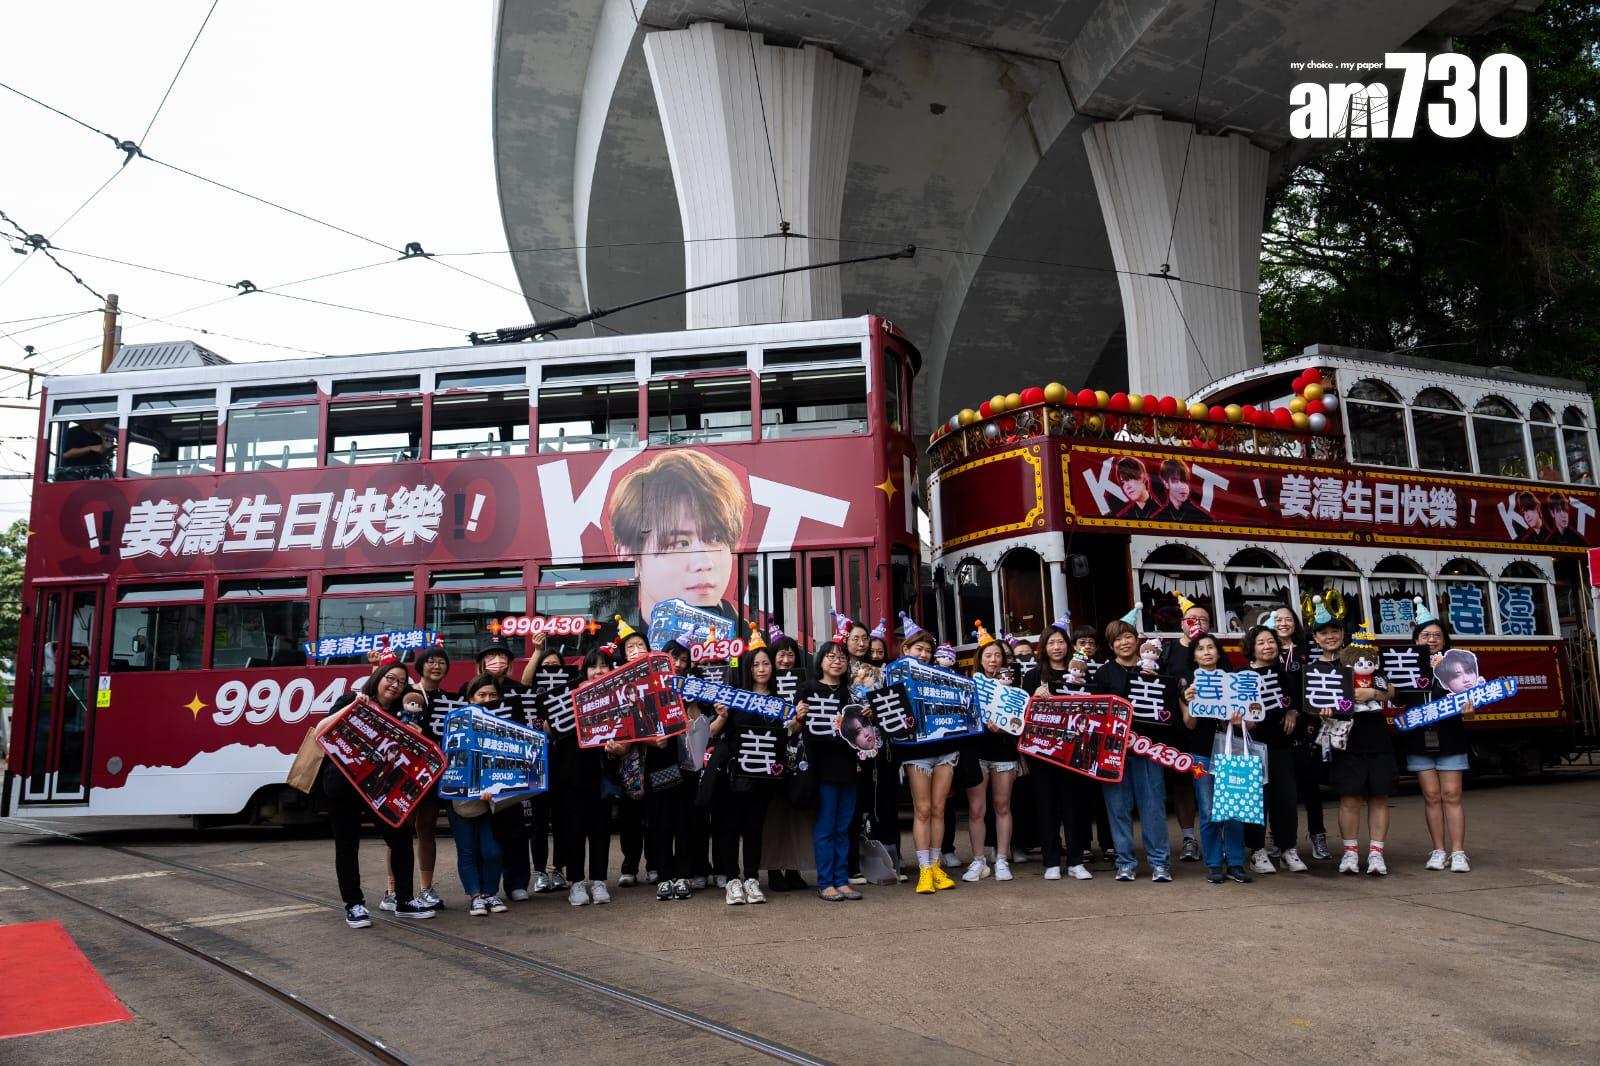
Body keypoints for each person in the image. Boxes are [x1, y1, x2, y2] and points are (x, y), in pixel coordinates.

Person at [322, 662, 436, 927]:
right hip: (343, 784)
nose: (394, 685)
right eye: (390, 679)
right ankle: (354, 905)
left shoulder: (403, 714)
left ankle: (404, 900)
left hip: (383, 789)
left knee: (400, 839)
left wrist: (416, 735)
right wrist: (353, 708)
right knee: (347, 845)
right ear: (377, 678)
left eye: (400, 682)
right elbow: (321, 730)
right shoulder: (351, 699)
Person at [606, 449, 748, 624]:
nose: (704, 563)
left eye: (715, 539)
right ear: (629, 556)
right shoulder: (618, 647)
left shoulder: (758, 646)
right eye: (681, 543)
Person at [1310, 607, 1395, 875]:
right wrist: (1319, 711)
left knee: (1379, 796)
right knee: (1349, 798)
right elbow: (1311, 704)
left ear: (1343, 633)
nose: (1330, 636)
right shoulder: (1316, 669)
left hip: (1376, 735)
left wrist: (1374, 692)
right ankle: (1349, 853)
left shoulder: (1363, 655)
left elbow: (1391, 690)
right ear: (1315, 639)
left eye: (1335, 631)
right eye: (1324, 633)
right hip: (1344, 739)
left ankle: (1376, 853)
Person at [1092, 609, 1173, 882]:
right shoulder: (1103, 673)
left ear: (1137, 639)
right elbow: (1096, 712)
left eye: (1128, 637)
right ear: (1111, 644)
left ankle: (1160, 862)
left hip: (1149, 748)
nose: (1124, 643)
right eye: (1117, 640)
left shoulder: (1154, 668)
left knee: (1153, 807)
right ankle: (1125, 862)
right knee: (1118, 808)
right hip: (1114, 751)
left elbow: (1168, 707)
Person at [712, 634, 783, 905]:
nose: (762, 669)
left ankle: (752, 879)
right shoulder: (735, 698)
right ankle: (732, 881)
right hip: (735, 775)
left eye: (766, 664)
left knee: (754, 829)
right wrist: (722, 716)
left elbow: (789, 734)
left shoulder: (779, 700)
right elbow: (713, 731)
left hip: (763, 776)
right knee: (730, 828)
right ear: (748, 669)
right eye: (756, 665)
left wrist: (798, 718)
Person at [1021, 620, 1093, 881]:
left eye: (1061, 642)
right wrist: (1034, 698)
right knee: (1046, 805)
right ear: (1043, 647)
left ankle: (1076, 860)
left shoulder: (1081, 672)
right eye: (1051, 642)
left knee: (1074, 805)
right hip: (1042, 752)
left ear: (1069, 646)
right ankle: (1051, 861)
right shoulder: (1032, 675)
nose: (1056, 647)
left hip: (1074, 750)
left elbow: (1093, 706)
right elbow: (1022, 713)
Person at [1405, 604, 1474, 872]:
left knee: (1452, 794)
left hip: (1451, 736)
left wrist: (1469, 709)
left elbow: (1469, 708)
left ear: (1445, 641)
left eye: (1437, 636)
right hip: (1418, 739)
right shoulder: (1406, 667)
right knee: (1432, 796)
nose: (1431, 640)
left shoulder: (1458, 668)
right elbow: (1394, 697)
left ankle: (1458, 852)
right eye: (1425, 635)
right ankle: (1438, 850)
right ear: (1415, 640)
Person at [1178, 633, 1249, 884]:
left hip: (1232, 751)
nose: (1207, 652)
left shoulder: (1235, 682)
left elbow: (1250, 721)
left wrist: (1239, 719)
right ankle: (1213, 863)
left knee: (1233, 810)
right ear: (1194, 656)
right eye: (1201, 649)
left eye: (1211, 648)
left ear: (1219, 653)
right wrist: (1190, 702)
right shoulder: (1188, 684)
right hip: (1200, 755)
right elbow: (1189, 724)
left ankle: (1237, 862)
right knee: (1208, 811)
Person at [798, 640, 864, 901]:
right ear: (821, 661)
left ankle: (841, 879)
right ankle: (825, 882)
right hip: (822, 767)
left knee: (844, 826)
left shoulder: (852, 693)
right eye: (831, 656)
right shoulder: (808, 689)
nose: (837, 661)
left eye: (841, 657)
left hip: (848, 765)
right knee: (826, 826)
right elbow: (798, 726)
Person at [1239, 626, 1305, 874]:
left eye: (1271, 641)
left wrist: (1293, 711)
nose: (1267, 646)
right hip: (1252, 747)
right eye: (1261, 643)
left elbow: (1301, 700)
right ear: (1251, 648)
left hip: (1281, 746)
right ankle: (1257, 851)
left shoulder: (1287, 672)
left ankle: (1288, 848)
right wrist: (1242, 719)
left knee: (1286, 799)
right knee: (1257, 800)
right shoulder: (1241, 674)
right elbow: (1230, 710)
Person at [960, 623, 1018, 883]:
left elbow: (1020, 720)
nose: (993, 660)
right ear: (979, 660)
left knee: (1003, 805)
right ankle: (978, 860)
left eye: (997, 656)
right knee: (976, 809)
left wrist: (1006, 724)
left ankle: (1002, 859)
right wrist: (983, 724)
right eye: (988, 656)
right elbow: (963, 719)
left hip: (1004, 752)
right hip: (978, 751)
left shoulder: (1014, 688)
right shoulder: (970, 685)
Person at [556, 648, 614, 905]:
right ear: (584, 671)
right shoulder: (569, 696)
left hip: (602, 775)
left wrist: (619, 747)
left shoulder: (617, 696)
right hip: (572, 775)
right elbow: (554, 729)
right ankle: (577, 883)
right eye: (593, 666)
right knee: (574, 831)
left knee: (601, 830)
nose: (599, 671)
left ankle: (599, 881)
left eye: (604, 666)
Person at [449, 673, 510, 916]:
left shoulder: (506, 727)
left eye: (493, 695)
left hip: (493, 801)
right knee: (467, 851)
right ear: (470, 699)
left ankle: (491, 893)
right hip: (461, 799)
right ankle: (475, 895)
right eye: (481, 695)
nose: (487, 699)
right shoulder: (455, 724)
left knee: (492, 850)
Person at [1271, 605, 1327, 861]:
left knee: (1310, 784)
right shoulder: (1266, 650)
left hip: (1306, 725)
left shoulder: (1308, 650)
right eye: (1278, 619)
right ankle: (1277, 837)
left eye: (1288, 619)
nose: (1283, 623)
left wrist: (1298, 710)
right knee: (1277, 787)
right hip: (1274, 727)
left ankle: (1317, 835)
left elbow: (1318, 684)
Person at [1159, 592, 1210, 864]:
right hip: (1177, 729)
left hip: (1209, 731)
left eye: (1203, 620)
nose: (1197, 624)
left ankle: (1213, 836)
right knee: (1182, 785)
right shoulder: (1168, 650)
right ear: (1181, 623)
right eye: (1192, 619)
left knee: (1210, 784)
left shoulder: (1212, 650)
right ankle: (1189, 838)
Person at [1155, 458, 1212, 522]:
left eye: (1185, 481)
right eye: (1176, 481)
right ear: (1166, 483)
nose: (1182, 487)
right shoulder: (1158, 518)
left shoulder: (1203, 518)